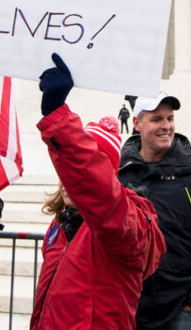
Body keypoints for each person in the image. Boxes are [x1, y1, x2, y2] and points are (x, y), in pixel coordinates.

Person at [30, 54, 166, 329]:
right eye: (66, 171)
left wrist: (58, 118)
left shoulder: (128, 222)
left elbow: (98, 191)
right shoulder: (60, 226)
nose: (68, 180)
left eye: (76, 170)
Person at [118, 90, 191, 329]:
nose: (166, 126)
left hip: (181, 312)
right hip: (128, 308)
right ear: (137, 124)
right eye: (156, 119)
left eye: (169, 118)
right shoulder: (120, 172)